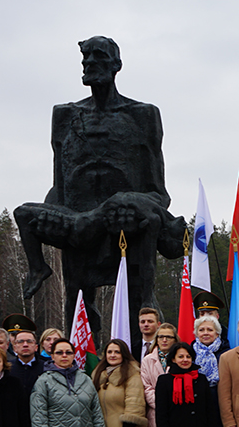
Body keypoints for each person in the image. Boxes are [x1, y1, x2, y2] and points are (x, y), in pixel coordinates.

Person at [16, 36, 187, 340]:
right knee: (77, 314)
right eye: (85, 58)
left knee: (139, 317)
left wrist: (133, 204)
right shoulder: (65, 116)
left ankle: (141, 373)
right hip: (79, 230)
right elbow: (60, 185)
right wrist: (51, 215)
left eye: (98, 56)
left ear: (116, 65)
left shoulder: (142, 115)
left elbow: (159, 193)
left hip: (127, 230)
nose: (89, 62)